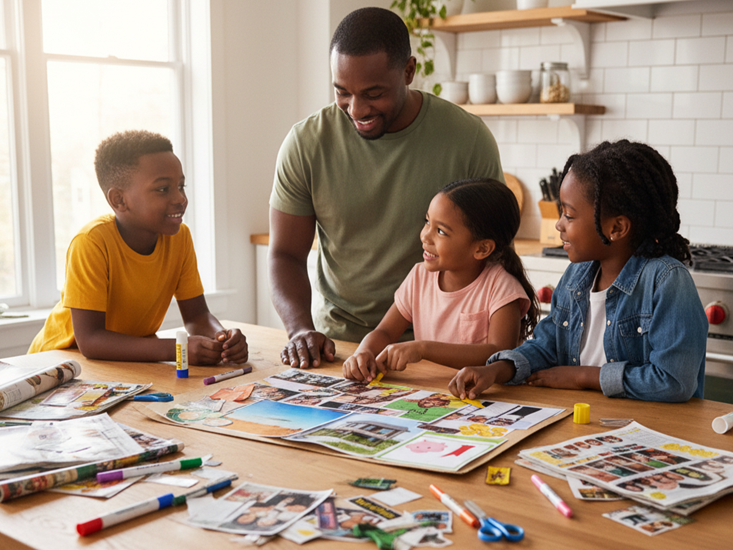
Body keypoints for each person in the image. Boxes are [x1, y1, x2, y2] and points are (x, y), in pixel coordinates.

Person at [269, 7, 504, 369]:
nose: (356, 109)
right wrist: (300, 330)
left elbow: (494, 254)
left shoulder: (468, 139)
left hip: (440, 351)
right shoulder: (307, 143)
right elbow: (284, 255)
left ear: (409, 71)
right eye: (342, 92)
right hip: (343, 346)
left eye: (373, 93)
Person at [449, 140, 708, 403]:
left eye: (569, 216)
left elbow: (674, 381)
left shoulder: (666, 281)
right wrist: (496, 370)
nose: (559, 224)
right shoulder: (577, 276)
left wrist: (583, 377)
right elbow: (545, 346)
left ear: (616, 228)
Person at [28, 130, 248, 365]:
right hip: (58, 363)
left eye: (181, 186)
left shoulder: (179, 237)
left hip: (124, 363)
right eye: (163, 189)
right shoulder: (91, 242)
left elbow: (197, 315)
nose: (180, 198)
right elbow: (90, 340)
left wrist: (222, 338)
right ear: (119, 200)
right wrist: (177, 349)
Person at [342, 179, 538, 382]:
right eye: (427, 222)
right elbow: (385, 331)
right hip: (431, 390)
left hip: (485, 398)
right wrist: (363, 352)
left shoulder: (501, 288)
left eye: (441, 231)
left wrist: (423, 348)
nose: (425, 236)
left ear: (481, 248)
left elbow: (500, 353)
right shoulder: (419, 277)